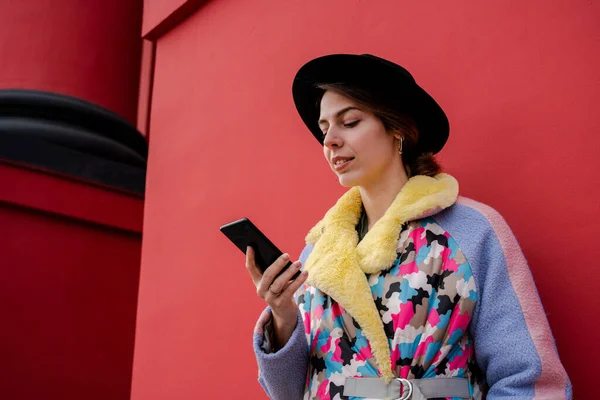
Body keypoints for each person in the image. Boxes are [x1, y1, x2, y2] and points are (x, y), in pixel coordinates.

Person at [245, 54, 571, 400]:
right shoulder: (318, 252)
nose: (330, 141)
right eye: (325, 129)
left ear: (397, 127)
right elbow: (290, 391)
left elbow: (529, 379)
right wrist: (283, 317)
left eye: (350, 122)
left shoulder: (471, 231)